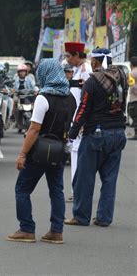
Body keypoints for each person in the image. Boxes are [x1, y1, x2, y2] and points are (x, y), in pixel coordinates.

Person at [7, 58, 76, 244]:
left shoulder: (43, 98)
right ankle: (56, 231)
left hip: (39, 151)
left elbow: (34, 129)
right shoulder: (70, 98)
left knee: (22, 189)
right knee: (57, 191)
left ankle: (27, 229)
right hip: (59, 151)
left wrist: (22, 154)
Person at [65, 48, 128, 227]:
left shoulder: (92, 82)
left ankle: (81, 216)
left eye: (92, 60)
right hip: (118, 133)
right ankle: (104, 218)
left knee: (84, 178)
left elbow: (82, 110)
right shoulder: (121, 77)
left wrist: (72, 133)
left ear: (96, 62)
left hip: (96, 135)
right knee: (109, 179)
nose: (91, 63)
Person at [64, 41, 92, 202]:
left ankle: (78, 191)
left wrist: (81, 122)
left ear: (76, 55)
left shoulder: (86, 70)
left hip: (80, 121)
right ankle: (77, 190)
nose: (67, 59)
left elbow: (87, 99)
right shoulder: (77, 70)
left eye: (69, 56)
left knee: (77, 154)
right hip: (75, 119)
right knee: (75, 154)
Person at [128, 56, 137, 140]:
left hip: (134, 99)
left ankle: (136, 134)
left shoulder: (131, 73)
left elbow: (132, 86)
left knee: (134, 116)